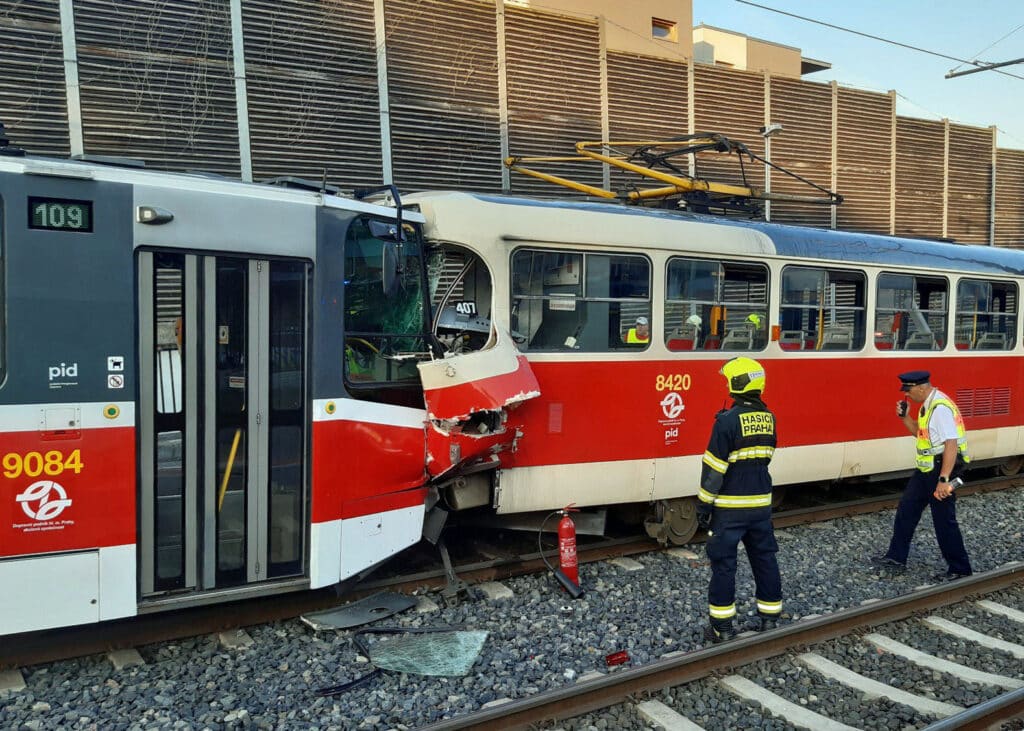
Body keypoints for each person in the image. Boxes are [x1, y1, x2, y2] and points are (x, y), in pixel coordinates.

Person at [696, 356, 782, 643]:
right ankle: (770, 618)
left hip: (730, 509)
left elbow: (714, 470)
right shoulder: (769, 418)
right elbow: (767, 457)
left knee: (724, 566)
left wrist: (703, 505)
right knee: (765, 559)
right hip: (760, 506)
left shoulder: (726, 422)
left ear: (737, 383)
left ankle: (723, 628)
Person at [871, 370, 973, 580]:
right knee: (906, 511)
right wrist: (904, 417)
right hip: (926, 471)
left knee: (944, 521)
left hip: (940, 470)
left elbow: (951, 445)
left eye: (909, 391)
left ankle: (960, 569)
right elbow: (920, 432)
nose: (907, 395)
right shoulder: (928, 404)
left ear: (921, 387)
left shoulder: (941, 408)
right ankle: (896, 557)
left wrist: (944, 480)